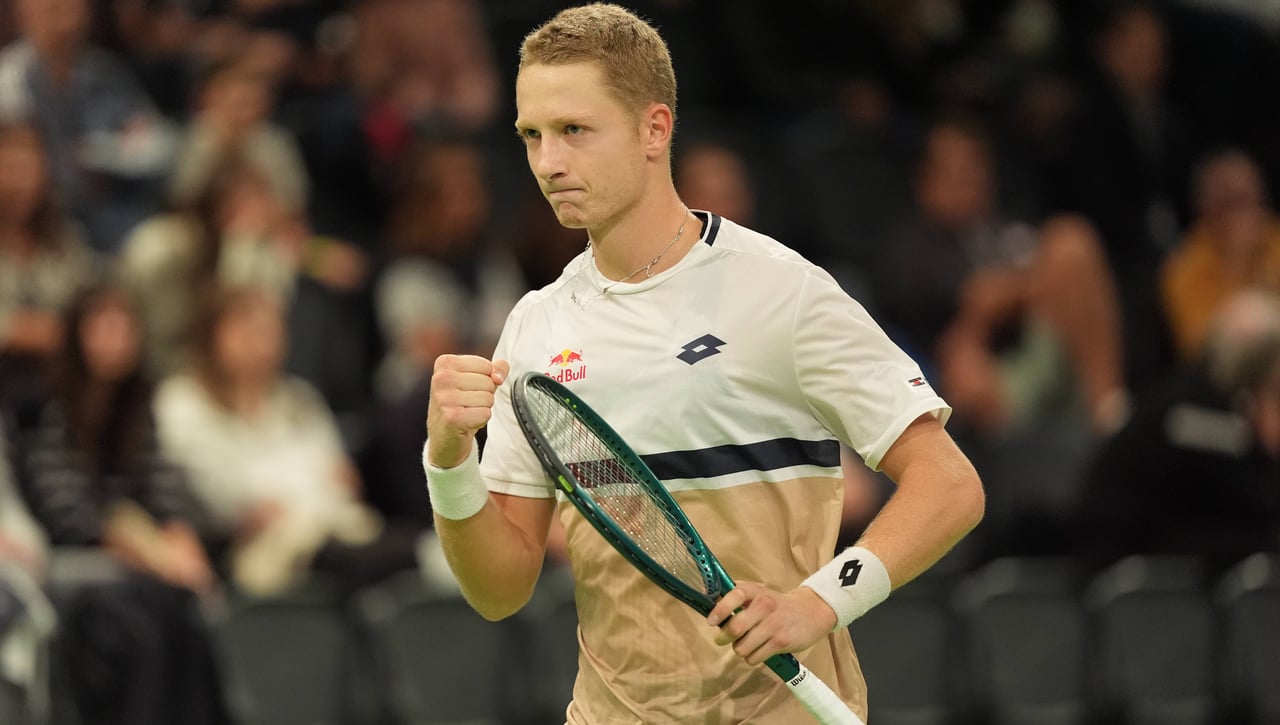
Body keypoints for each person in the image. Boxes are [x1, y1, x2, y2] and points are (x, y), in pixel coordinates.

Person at [423, 5, 985, 723]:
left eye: (574, 130)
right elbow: (499, 589)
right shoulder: (536, 326)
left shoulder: (781, 289)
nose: (548, 162)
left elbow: (950, 485)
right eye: (531, 135)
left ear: (654, 129)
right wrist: (447, 462)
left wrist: (819, 602)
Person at [1160, 149, 1280, 360]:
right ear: (1207, 210)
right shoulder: (1184, 268)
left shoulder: (1274, 237)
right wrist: (1237, 263)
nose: (1244, 215)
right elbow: (1201, 352)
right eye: (1231, 204)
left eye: (1249, 201)